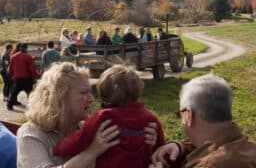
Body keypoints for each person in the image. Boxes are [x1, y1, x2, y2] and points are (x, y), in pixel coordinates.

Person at [17, 62, 156, 168]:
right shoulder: (30, 134)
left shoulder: (90, 129)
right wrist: (91, 152)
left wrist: (146, 142)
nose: (91, 99)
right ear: (60, 98)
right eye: (84, 93)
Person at [54, 64, 164, 168]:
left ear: (105, 94)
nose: (92, 98)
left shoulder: (103, 116)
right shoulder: (150, 118)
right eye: (83, 93)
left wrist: (60, 148)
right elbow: (161, 147)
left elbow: (80, 139)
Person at [150, 74, 256, 168]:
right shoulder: (248, 147)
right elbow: (211, 147)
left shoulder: (208, 165)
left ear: (188, 115)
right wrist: (181, 146)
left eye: (180, 114)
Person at [7, 43, 39, 111]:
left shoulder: (13, 56)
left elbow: (11, 68)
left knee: (14, 92)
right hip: (26, 78)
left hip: (17, 78)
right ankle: (32, 107)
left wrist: (11, 75)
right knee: (30, 92)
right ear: (26, 48)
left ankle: (9, 105)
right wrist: (36, 76)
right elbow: (32, 69)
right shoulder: (28, 57)